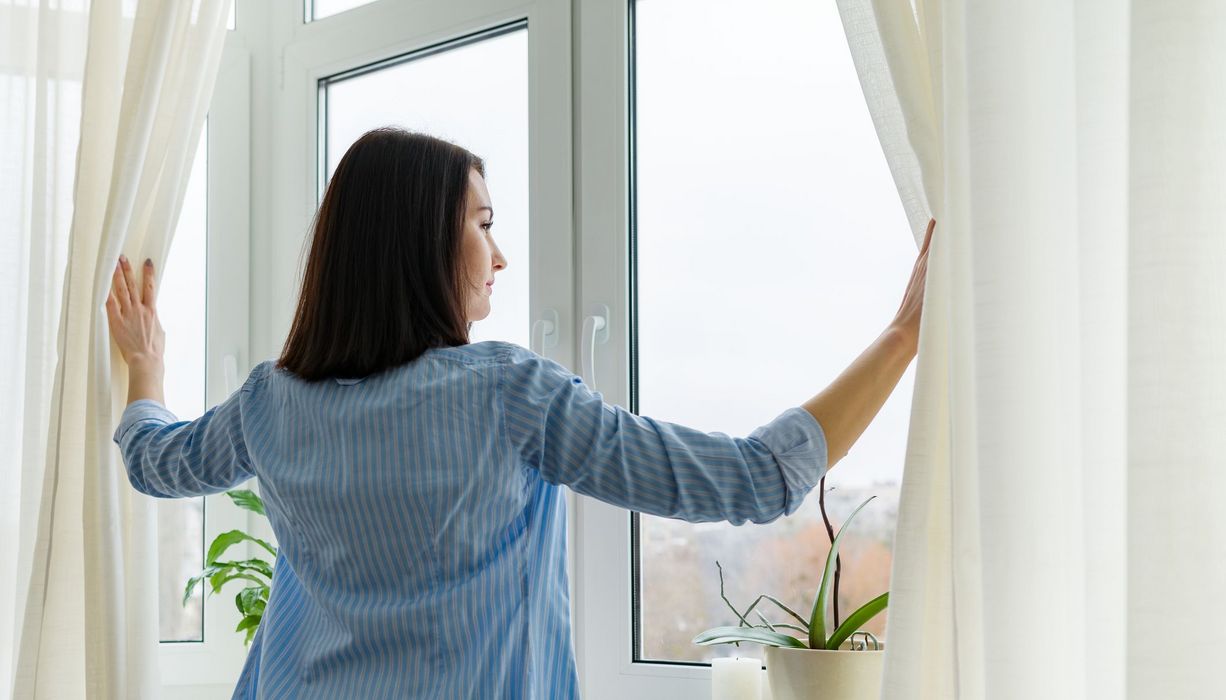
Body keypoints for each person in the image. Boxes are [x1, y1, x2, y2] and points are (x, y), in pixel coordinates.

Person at [107, 128, 932, 699]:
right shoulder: (505, 392)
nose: (499, 255)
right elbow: (749, 479)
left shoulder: (270, 403)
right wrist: (902, 338)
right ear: (420, 242)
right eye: (484, 224)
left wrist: (146, 367)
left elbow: (153, 461)